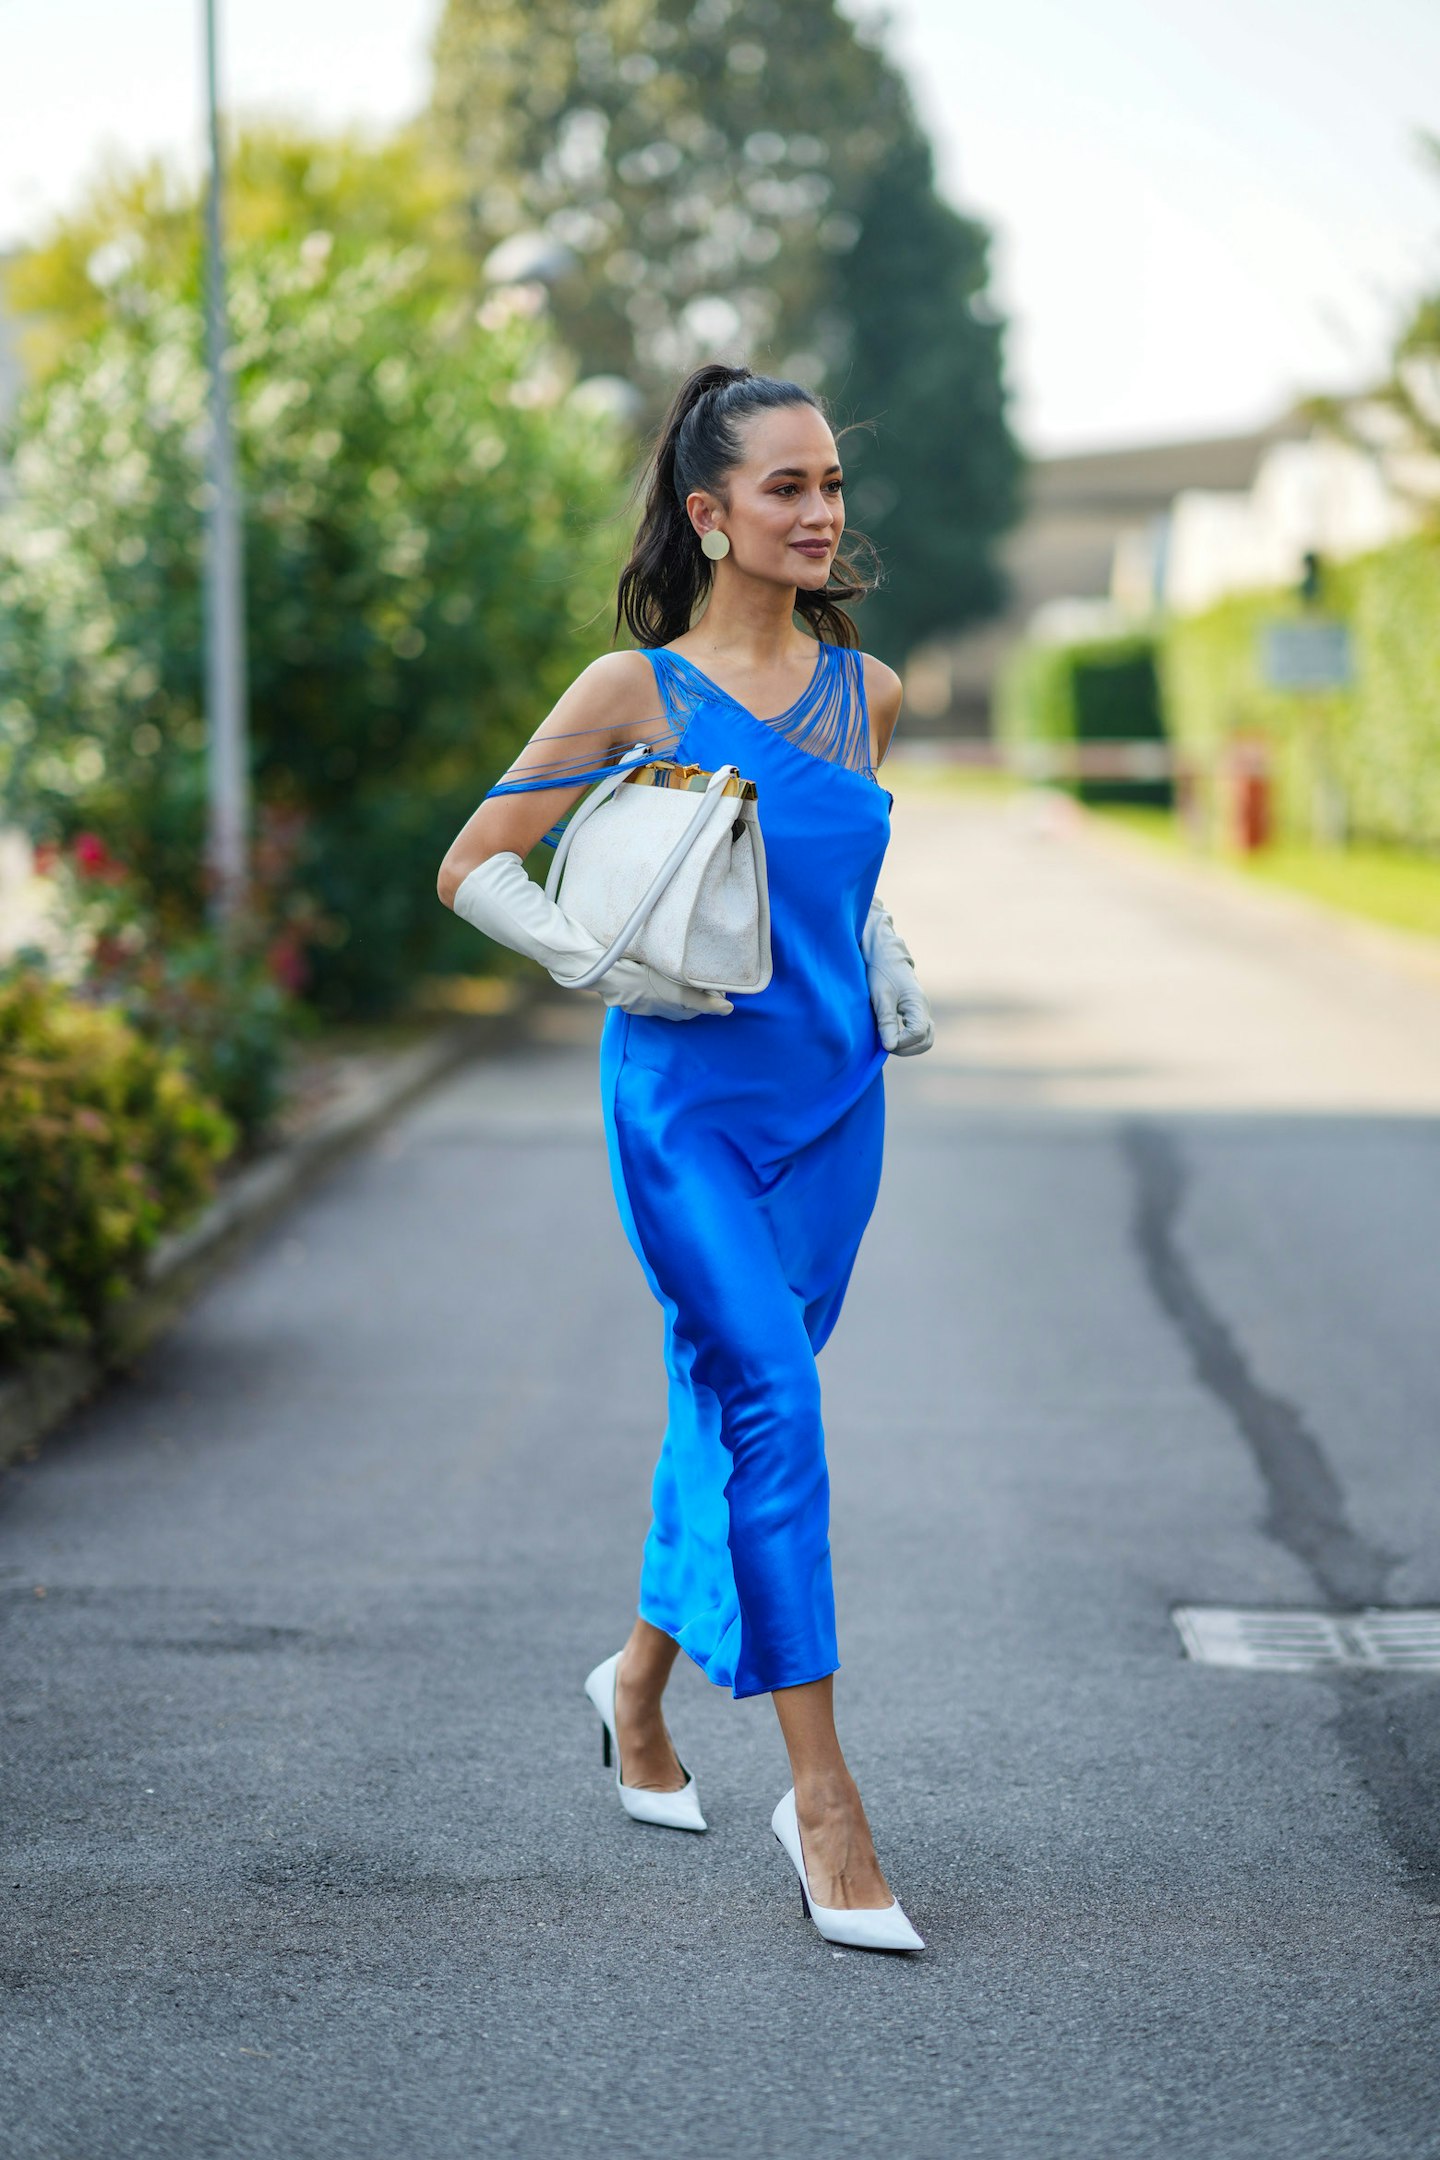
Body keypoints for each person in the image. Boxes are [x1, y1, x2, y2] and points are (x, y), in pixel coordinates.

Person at [437, 362, 934, 1953]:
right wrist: (593, 959)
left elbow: (831, 878)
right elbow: (475, 865)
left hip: (832, 1104)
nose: (819, 513)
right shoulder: (631, 690)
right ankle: (828, 1804)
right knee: (774, 1404)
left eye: (831, 486)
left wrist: (884, 950)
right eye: (784, 489)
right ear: (711, 515)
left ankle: (636, 1686)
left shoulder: (873, 696)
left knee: (735, 1411)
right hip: (683, 1105)